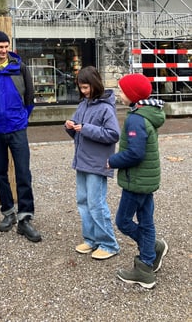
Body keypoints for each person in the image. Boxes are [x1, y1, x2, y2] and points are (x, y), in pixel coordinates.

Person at [0, 31, 41, 242]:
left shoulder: (20, 69)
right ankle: (8, 212)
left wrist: (22, 118)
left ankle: (25, 217)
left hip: (17, 128)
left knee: (24, 172)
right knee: (0, 173)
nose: (4, 50)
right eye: (0, 47)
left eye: (6, 46)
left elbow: (30, 97)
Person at [108, 73, 168, 289]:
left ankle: (145, 264)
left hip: (136, 180)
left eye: (122, 91)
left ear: (132, 96)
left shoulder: (135, 118)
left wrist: (112, 161)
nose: (119, 94)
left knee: (123, 221)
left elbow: (135, 153)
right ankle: (152, 252)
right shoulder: (148, 113)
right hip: (146, 179)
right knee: (146, 220)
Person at [65, 66, 121, 260]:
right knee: (83, 201)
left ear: (94, 85)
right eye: (81, 87)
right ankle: (91, 240)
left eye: (86, 87)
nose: (83, 91)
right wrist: (70, 127)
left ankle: (109, 243)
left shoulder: (106, 107)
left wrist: (86, 129)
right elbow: (78, 132)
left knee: (96, 204)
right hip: (82, 161)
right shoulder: (83, 105)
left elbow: (113, 135)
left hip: (97, 164)